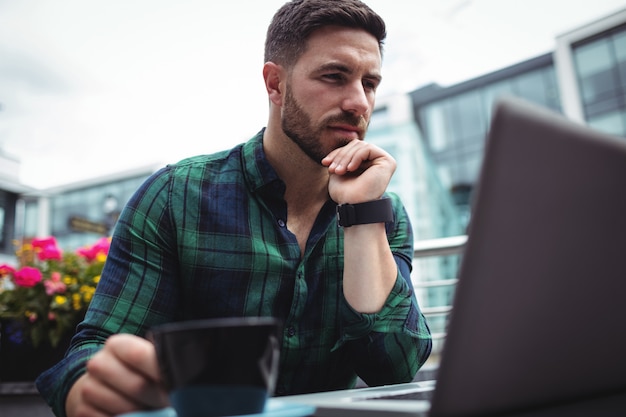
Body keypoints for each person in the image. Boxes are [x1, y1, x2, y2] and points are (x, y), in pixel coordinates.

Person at [36, 1, 432, 416]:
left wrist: (362, 216)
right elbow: (92, 349)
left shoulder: (379, 210)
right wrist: (89, 389)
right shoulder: (175, 196)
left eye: (369, 83)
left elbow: (396, 368)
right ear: (275, 84)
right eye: (334, 76)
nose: (359, 102)